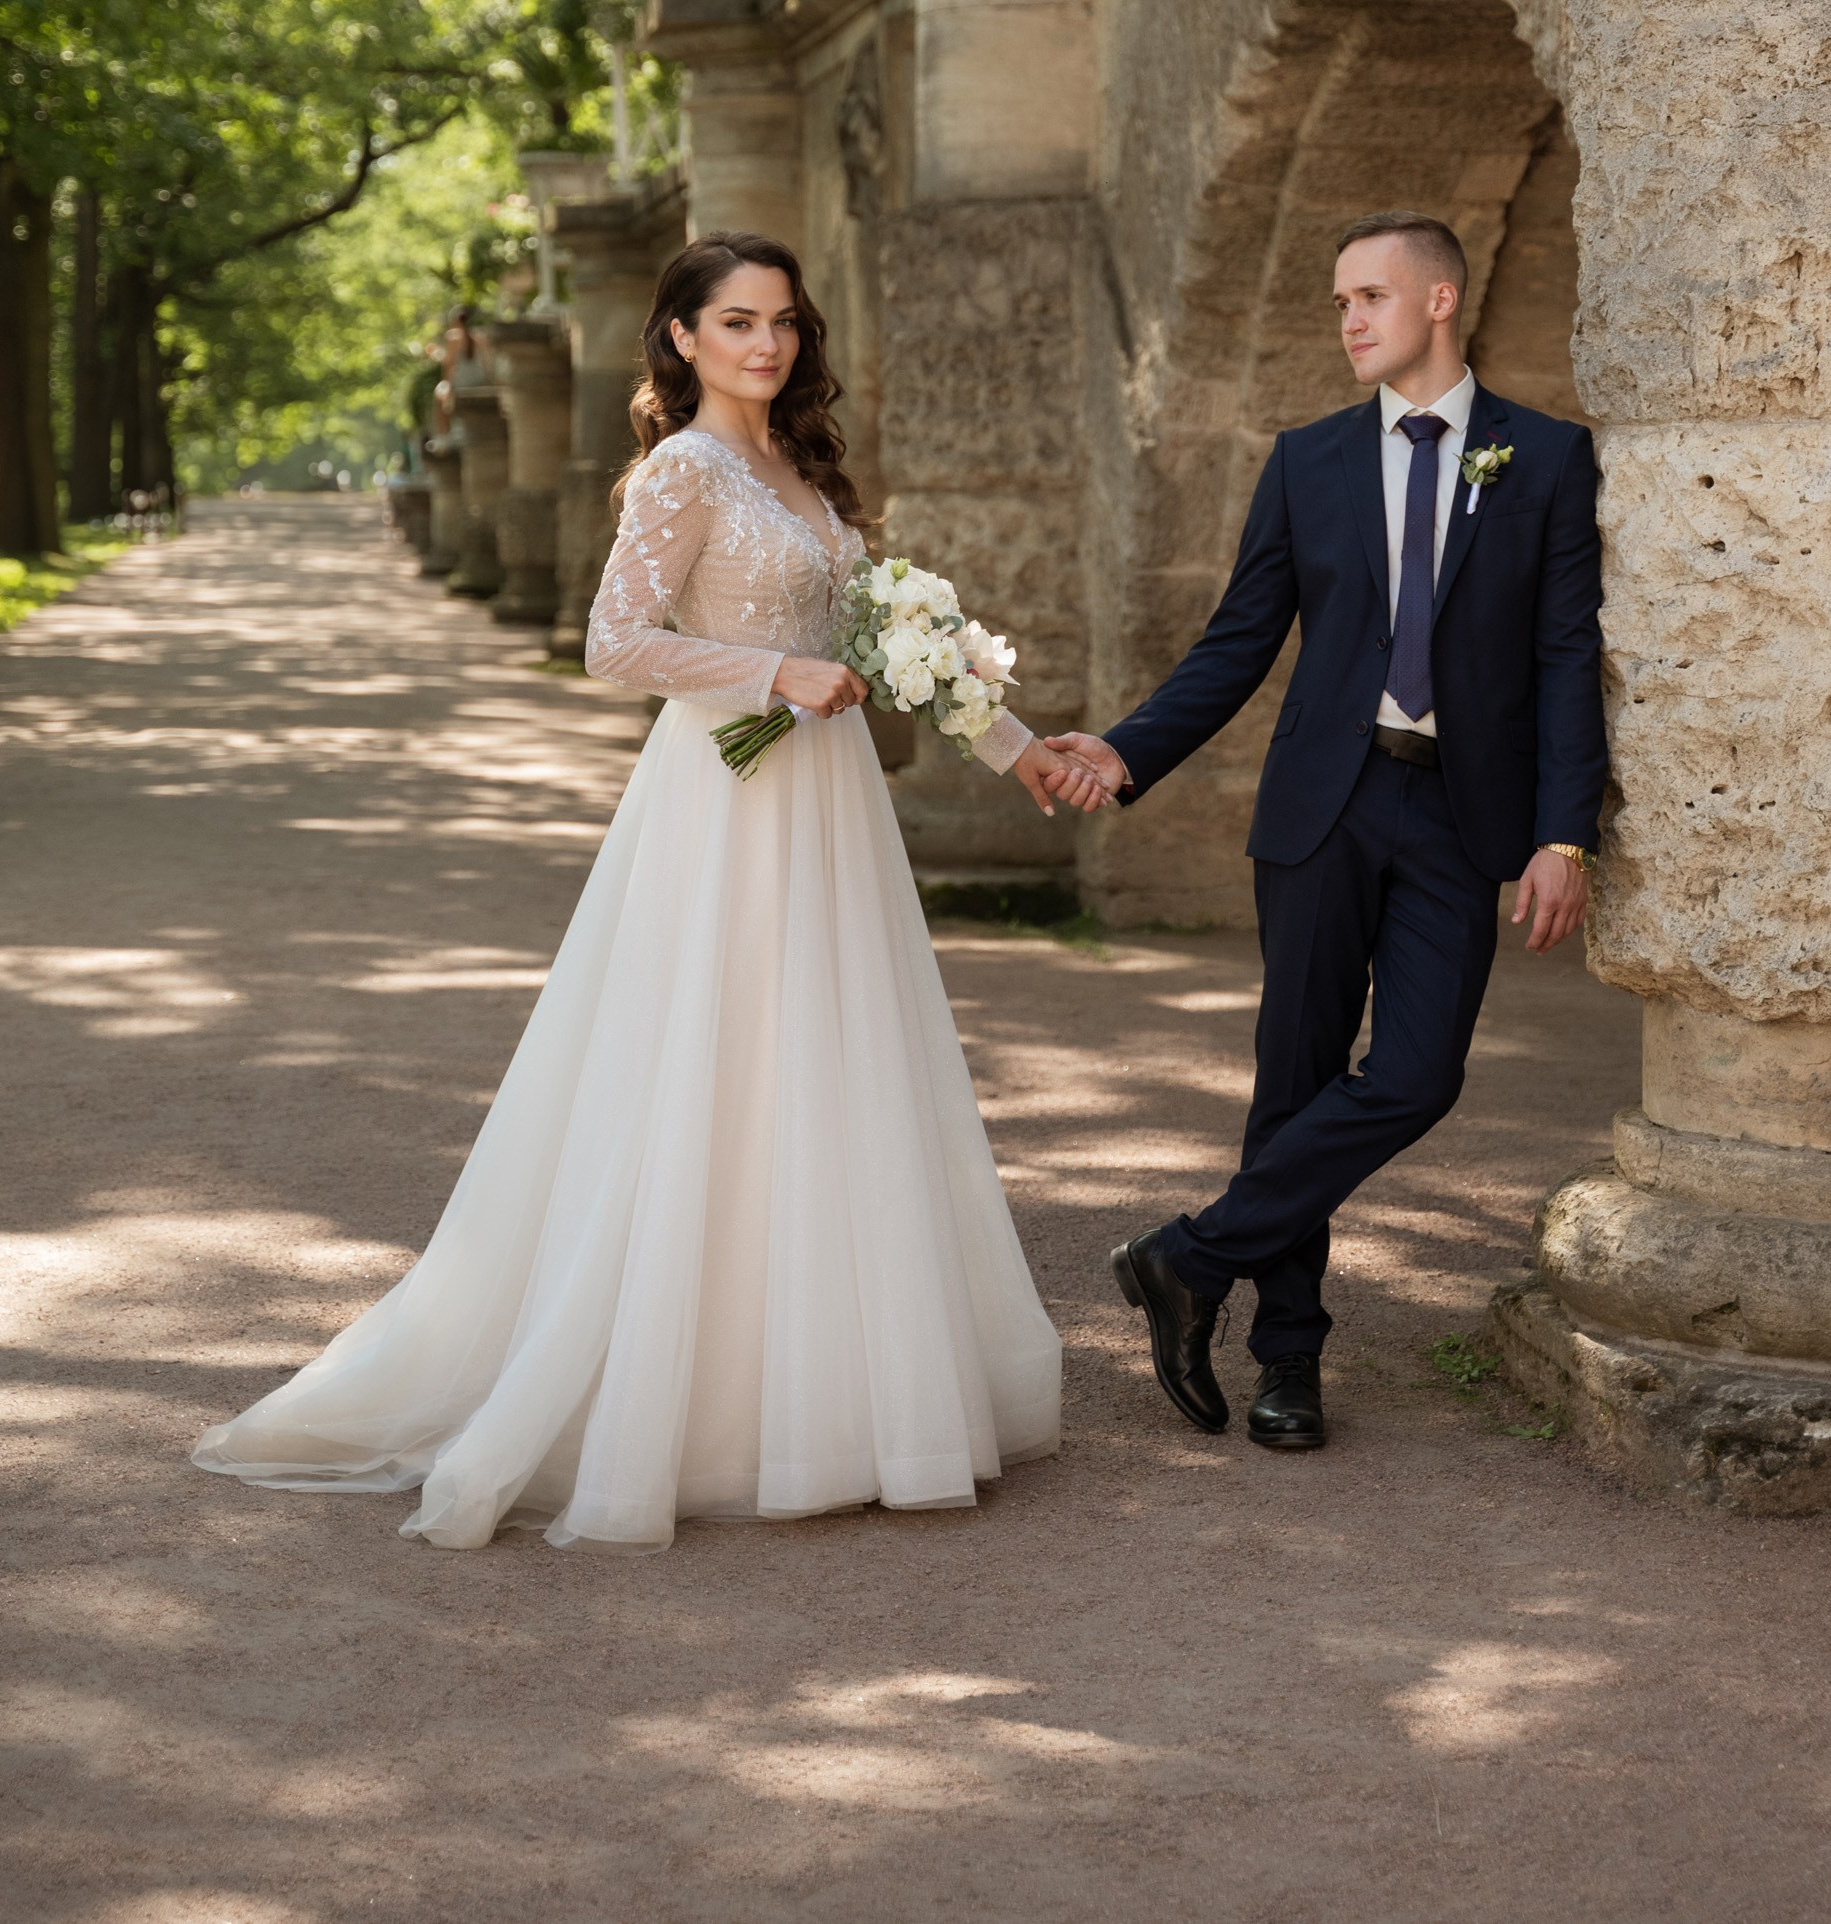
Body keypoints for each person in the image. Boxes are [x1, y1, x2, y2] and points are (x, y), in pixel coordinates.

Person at [195, 231, 1097, 1548]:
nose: (766, 344)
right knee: (718, 1072)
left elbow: (893, 636)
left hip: (829, 809)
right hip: (729, 806)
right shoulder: (681, 470)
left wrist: (1025, 749)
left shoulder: (798, 467)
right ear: (681, 337)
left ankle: (849, 1396)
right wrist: (771, 675)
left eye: (782, 322)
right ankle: (697, 1405)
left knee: (834, 1073)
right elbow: (615, 644)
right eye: (736, 322)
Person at [1045, 211, 1606, 1455]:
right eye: (1338, 298)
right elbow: (1238, 639)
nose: (1347, 317)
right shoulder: (1307, 460)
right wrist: (1127, 747)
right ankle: (1285, 1362)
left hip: (1464, 818)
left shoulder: (1548, 457)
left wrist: (1565, 831)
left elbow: (1569, 654)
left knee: (1415, 1073)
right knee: (1292, 1078)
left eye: (1368, 294)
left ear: (1440, 299)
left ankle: (1184, 1258)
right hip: (1321, 805)